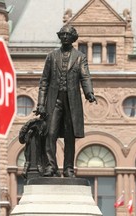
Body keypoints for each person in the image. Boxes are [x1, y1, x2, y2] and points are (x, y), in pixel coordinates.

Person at [35, 25, 96, 177]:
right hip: (54, 100)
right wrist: (41, 104)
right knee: (50, 133)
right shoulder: (51, 56)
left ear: (73, 38)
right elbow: (44, 82)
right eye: (62, 34)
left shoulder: (80, 57)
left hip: (71, 101)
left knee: (70, 136)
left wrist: (89, 93)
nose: (65, 37)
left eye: (68, 35)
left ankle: (68, 168)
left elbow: (85, 76)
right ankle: (51, 166)